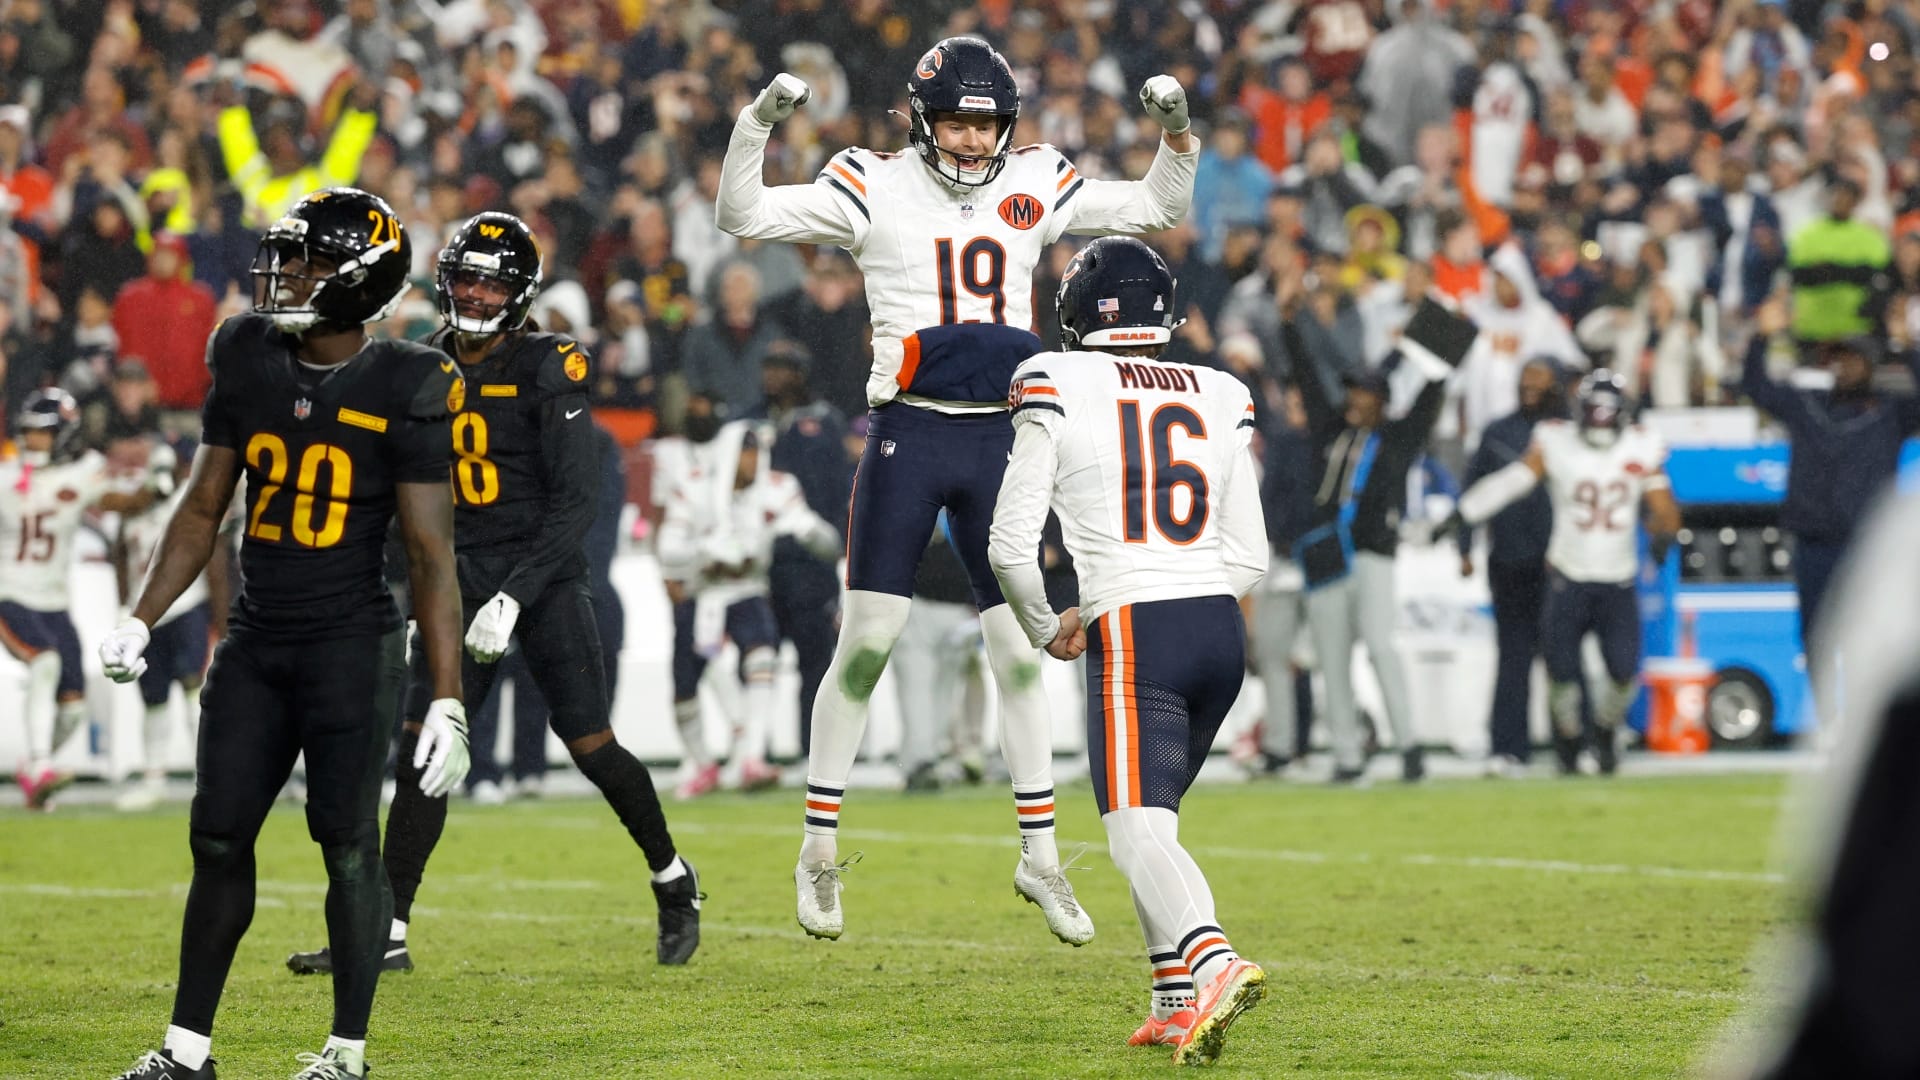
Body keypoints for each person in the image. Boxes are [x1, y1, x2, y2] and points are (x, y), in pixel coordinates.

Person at [716, 36, 1196, 943]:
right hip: (911, 431)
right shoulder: (871, 180)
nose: (974, 142)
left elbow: (1156, 207)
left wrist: (1175, 130)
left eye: (987, 124)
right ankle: (818, 849)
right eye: (958, 123)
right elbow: (741, 213)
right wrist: (759, 122)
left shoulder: (1037, 179)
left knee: (1022, 651)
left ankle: (1041, 858)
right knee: (868, 643)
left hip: (1005, 437)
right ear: (923, 119)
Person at [95, 187, 470, 1080]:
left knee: (345, 841)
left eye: (309, 262)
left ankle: (346, 1053)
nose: (288, 274)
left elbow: (430, 555)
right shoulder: (246, 351)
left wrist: (447, 698)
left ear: (361, 280)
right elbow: (203, 506)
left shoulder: (411, 380)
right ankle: (188, 1052)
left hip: (350, 644)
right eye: (289, 256)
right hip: (258, 640)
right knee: (217, 836)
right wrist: (139, 616)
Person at [283, 212, 700, 976]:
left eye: (491, 281)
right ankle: (387, 930)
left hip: (539, 580)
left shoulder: (550, 365)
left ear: (520, 292)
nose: (475, 293)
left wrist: (514, 596)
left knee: (591, 746)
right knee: (425, 754)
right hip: (457, 583)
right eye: (465, 278)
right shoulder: (416, 365)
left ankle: (673, 880)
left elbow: (576, 503)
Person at [987, 237, 1268, 1065]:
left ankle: (1213, 961)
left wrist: (1049, 624)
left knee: (1133, 831)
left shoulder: (1054, 377)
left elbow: (1009, 545)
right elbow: (1251, 555)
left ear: (1077, 314)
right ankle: (1173, 995)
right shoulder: (1219, 390)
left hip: (1138, 630)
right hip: (1218, 626)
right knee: (1157, 824)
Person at [1445, 370, 1682, 774]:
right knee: (1562, 674)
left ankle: (1606, 732)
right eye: (1594, 410)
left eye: (1608, 411)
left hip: (1617, 578)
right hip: (1567, 576)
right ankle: (1571, 741)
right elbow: (1514, 480)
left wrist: (1666, 530)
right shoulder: (1556, 441)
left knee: (1625, 672)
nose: (1601, 419)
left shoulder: (1641, 444)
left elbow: (1663, 502)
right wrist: (1465, 513)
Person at [1288, 293, 1460, 783]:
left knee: (1382, 647)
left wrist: (1443, 345)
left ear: (1382, 399)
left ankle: (1409, 747)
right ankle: (1346, 754)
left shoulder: (1399, 438)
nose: (1353, 399)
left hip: (1372, 554)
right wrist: (1290, 327)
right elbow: (1306, 380)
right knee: (1331, 659)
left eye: (1363, 392)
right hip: (1326, 554)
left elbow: (1431, 395)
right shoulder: (1331, 432)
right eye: (1351, 391)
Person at [1, 388, 161, 809]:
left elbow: (123, 503)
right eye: (28, 432)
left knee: (72, 706)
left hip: (55, 602)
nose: (31, 440)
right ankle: (38, 767)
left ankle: (37, 777)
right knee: (46, 661)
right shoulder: (5, 475)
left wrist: (158, 489)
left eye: (40, 432)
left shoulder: (84, 473)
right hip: (9, 592)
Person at [659, 419, 840, 792]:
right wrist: (706, 550)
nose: (752, 459)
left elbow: (829, 544)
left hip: (747, 589)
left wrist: (809, 530)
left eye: (756, 450)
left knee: (762, 653)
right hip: (700, 593)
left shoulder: (777, 488)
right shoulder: (695, 487)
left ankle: (751, 756)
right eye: (745, 450)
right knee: (685, 685)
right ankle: (703, 762)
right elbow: (668, 547)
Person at [1739, 295, 1920, 649]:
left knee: (1871, 642)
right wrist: (1761, 338)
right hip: (1815, 546)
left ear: (1870, 365)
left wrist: (1906, 346)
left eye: (1853, 359)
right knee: (1816, 642)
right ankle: (1823, 707)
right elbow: (1756, 387)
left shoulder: (1891, 412)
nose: (1844, 367)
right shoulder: (1807, 405)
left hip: (1866, 549)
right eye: (1838, 359)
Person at [1456, 358, 1563, 775]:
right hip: (1509, 559)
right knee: (1514, 657)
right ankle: (1508, 747)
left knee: (1563, 657)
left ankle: (1574, 744)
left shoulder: (1568, 433)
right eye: (1524, 381)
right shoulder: (1499, 431)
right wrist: (1464, 545)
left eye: (1538, 382)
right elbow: (1474, 488)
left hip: (1560, 563)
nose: (1529, 388)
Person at [113, 438, 228, 812]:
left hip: (187, 607)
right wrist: (122, 605)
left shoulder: (189, 502)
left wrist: (222, 619)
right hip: (146, 616)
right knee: (154, 698)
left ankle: (210, 778)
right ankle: (154, 778)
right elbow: (119, 555)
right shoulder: (135, 509)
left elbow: (213, 561)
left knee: (195, 686)